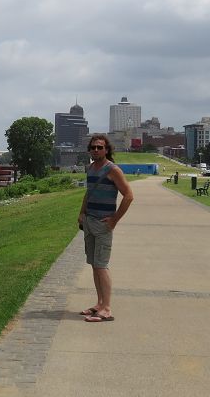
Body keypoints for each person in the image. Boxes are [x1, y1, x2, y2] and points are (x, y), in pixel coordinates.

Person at [77, 134, 134, 322]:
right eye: (93, 147)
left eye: (99, 147)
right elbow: (88, 193)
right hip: (89, 221)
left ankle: (107, 309)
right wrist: (82, 213)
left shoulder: (113, 170)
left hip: (103, 225)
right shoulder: (91, 168)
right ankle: (99, 303)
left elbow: (128, 196)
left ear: (106, 150)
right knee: (94, 264)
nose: (96, 150)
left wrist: (114, 220)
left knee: (101, 266)